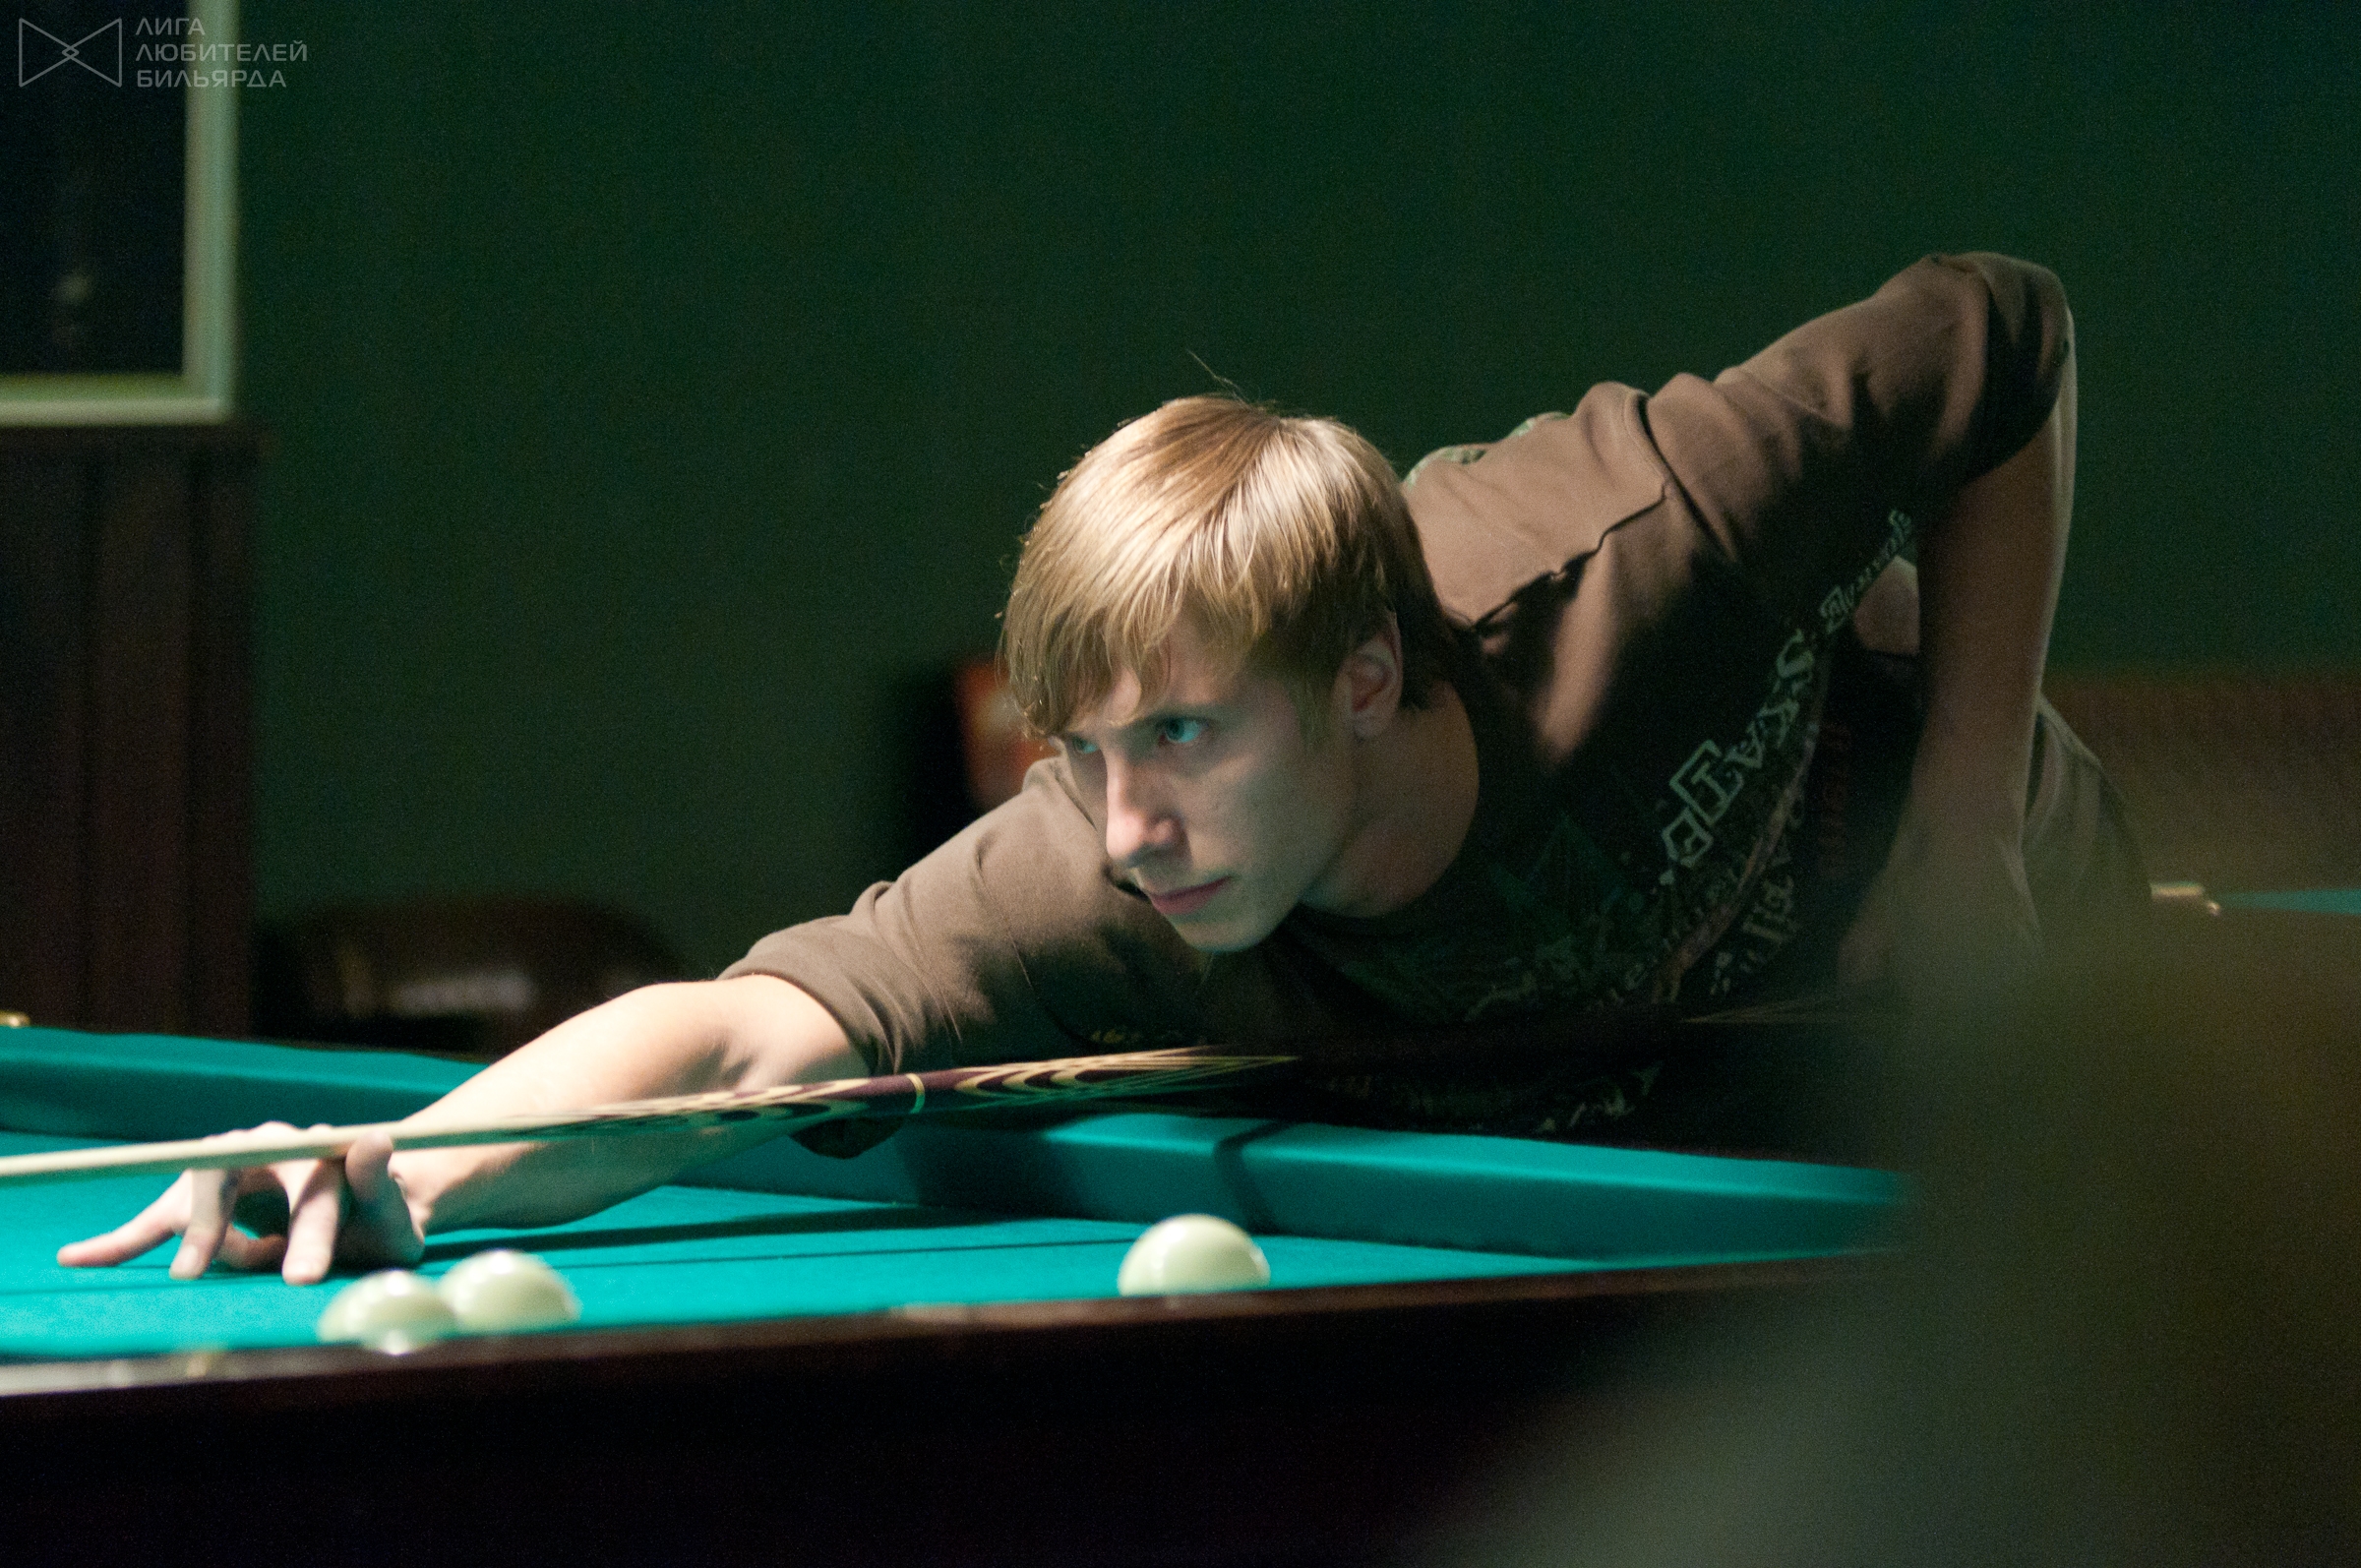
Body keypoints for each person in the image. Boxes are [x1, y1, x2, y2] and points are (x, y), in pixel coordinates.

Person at [61, 252, 2141, 1287]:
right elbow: (742, 1032)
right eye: (1088, 752)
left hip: (2001, 959)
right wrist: (399, 1167)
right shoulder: (1108, 868)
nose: (1129, 825)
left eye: (1184, 736)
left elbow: (2006, 332)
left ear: (1367, 674)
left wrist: (1964, 824)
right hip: (1692, 1128)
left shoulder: (1636, 543)